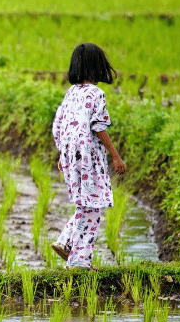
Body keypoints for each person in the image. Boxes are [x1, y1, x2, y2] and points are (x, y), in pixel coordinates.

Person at [51, 43, 127, 270]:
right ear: (97, 66)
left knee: (86, 206)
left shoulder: (71, 94)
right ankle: (80, 262)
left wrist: (63, 154)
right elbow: (99, 127)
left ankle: (66, 243)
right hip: (89, 160)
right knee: (92, 209)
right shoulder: (96, 93)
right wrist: (116, 156)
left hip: (70, 157)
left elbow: (58, 126)